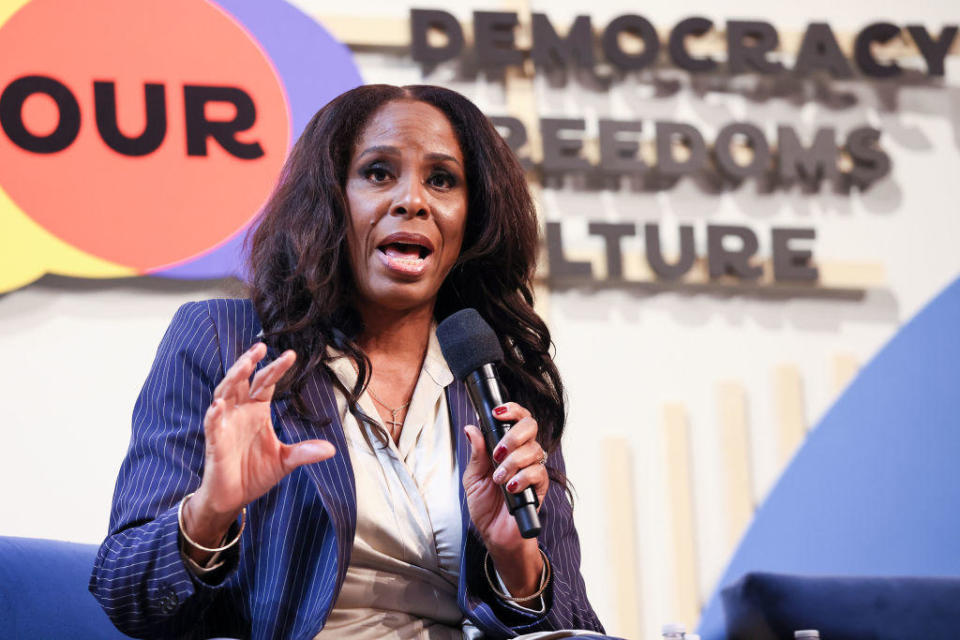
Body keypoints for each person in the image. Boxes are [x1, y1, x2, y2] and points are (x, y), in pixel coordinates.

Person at [90, 84, 616, 640]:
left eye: (442, 180)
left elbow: (574, 624)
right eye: (378, 173)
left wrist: (515, 563)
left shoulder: (498, 380)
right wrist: (209, 512)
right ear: (330, 200)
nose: (412, 200)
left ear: (472, 217)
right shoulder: (227, 344)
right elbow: (126, 594)